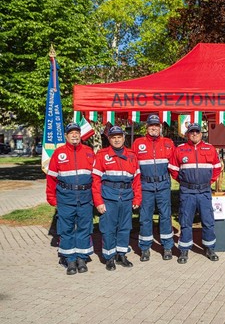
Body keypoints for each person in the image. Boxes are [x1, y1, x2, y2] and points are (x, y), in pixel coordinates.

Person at [169, 123, 222, 264]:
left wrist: (208, 181)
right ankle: (184, 249)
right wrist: (185, 181)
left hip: (204, 190)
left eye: (197, 132)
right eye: (191, 132)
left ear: (201, 133)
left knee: (208, 221)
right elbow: (173, 170)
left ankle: (209, 248)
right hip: (188, 191)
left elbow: (217, 168)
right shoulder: (180, 149)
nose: (194, 134)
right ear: (187, 134)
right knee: (185, 221)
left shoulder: (210, 149)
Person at [46, 122, 95, 275]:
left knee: (84, 228)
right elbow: (51, 178)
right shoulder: (58, 153)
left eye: (77, 132)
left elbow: (95, 177)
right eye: (71, 133)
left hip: (85, 198)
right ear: (66, 136)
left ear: (80, 135)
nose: (74, 135)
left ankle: (81, 258)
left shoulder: (88, 152)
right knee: (66, 229)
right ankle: (70, 259)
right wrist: (51, 197)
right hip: (65, 198)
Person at [92, 125, 142, 271]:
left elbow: (137, 179)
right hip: (109, 198)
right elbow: (95, 180)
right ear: (109, 139)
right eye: (113, 137)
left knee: (125, 228)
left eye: (119, 137)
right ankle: (109, 257)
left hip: (126, 197)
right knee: (108, 229)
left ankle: (121, 254)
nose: (117, 140)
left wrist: (137, 199)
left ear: (124, 138)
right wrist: (98, 202)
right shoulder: (102, 155)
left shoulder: (132, 155)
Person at [132, 114, 175, 262]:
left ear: (160, 127)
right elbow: (134, 167)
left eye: (156, 125)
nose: (154, 128)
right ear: (147, 127)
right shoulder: (138, 143)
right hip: (145, 186)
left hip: (163, 186)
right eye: (151, 126)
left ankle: (167, 247)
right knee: (145, 218)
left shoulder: (168, 143)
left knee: (165, 217)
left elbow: (175, 165)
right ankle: (145, 248)